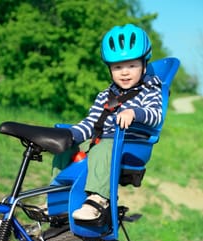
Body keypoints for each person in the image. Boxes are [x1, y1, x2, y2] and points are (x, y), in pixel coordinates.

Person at [52, 23, 162, 222]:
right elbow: (91, 122)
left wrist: (134, 113)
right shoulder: (105, 95)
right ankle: (58, 200)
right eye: (118, 67)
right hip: (103, 139)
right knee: (65, 147)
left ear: (144, 65)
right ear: (110, 69)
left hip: (131, 145)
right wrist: (71, 135)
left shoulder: (150, 90)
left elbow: (155, 115)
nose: (125, 72)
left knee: (103, 147)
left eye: (132, 65)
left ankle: (98, 200)